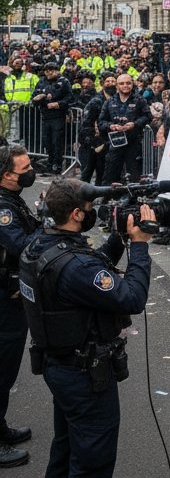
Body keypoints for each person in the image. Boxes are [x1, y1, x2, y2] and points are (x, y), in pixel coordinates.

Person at [19, 178, 155, 478]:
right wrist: (141, 245)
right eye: (89, 208)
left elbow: (93, 266)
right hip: (83, 375)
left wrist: (120, 236)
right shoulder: (74, 266)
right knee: (93, 461)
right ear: (77, 215)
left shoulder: (42, 242)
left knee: (66, 449)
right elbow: (130, 298)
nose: (93, 212)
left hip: (60, 365)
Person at [0, 146, 38, 467]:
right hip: (3, 300)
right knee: (0, 370)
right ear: (6, 175)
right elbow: (21, 244)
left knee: (7, 368)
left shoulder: (12, 198)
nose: (30, 171)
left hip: (11, 295)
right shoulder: (2, 206)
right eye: (24, 168)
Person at [98, 74, 149, 185]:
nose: (125, 86)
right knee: (110, 175)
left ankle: (134, 200)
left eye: (128, 83)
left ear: (132, 84)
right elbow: (101, 122)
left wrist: (134, 124)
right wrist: (111, 126)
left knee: (134, 176)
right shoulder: (109, 101)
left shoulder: (140, 100)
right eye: (122, 83)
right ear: (117, 85)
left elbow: (147, 116)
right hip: (115, 144)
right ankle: (107, 198)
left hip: (134, 143)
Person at [31, 61, 72, 175]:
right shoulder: (41, 81)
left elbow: (70, 98)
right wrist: (36, 99)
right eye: (47, 70)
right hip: (45, 115)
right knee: (47, 141)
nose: (49, 72)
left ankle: (57, 166)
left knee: (57, 141)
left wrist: (58, 104)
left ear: (57, 71)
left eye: (52, 70)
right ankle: (49, 164)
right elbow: (34, 96)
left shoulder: (64, 81)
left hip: (58, 116)